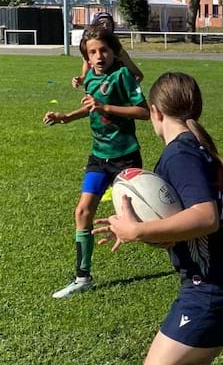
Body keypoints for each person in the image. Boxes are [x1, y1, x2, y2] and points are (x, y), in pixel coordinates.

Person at [92, 72, 223, 365]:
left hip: (212, 289)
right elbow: (218, 218)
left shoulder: (180, 155)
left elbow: (206, 217)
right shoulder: (197, 148)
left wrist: (139, 232)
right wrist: (144, 228)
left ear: (155, 112)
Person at [43, 25, 150, 298]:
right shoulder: (90, 76)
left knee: (147, 217)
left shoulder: (123, 75)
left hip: (125, 155)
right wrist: (67, 116)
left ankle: (185, 252)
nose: (99, 56)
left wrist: (107, 107)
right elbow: (92, 105)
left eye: (104, 50)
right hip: (98, 157)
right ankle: (82, 276)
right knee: (82, 212)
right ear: (87, 58)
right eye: (93, 52)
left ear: (114, 51)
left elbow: (143, 112)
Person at [72, 12, 144, 88]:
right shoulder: (88, 47)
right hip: (95, 93)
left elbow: (138, 75)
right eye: (102, 23)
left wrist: (122, 91)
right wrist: (80, 79)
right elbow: (86, 71)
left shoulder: (119, 51)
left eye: (108, 24)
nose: (105, 26)